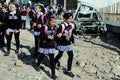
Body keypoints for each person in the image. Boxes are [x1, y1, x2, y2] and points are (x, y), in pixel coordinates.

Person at [54, 12, 77, 77]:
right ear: (65, 18)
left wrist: (73, 41)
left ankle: (69, 70)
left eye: (71, 18)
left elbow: (71, 34)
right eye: (69, 19)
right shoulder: (62, 26)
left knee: (71, 55)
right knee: (60, 54)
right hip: (62, 43)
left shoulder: (72, 25)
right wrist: (62, 37)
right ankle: (54, 62)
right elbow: (57, 35)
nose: (70, 20)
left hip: (68, 43)